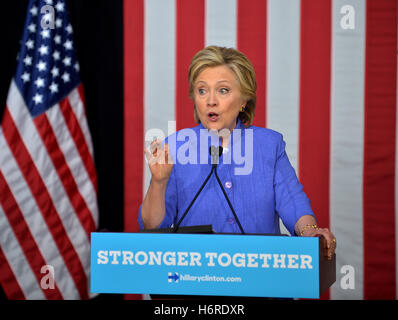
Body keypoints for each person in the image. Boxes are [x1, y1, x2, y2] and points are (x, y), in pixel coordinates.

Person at [139, 45, 336, 260]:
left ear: (243, 100)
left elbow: (293, 203)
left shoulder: (269, 145)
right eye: (202, 90)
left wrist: (310, 232)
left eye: (223, 90)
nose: (210, 100)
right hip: (196, 281)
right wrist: (158, 183)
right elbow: (151, 227)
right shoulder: (175, 148)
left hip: (262, 279)